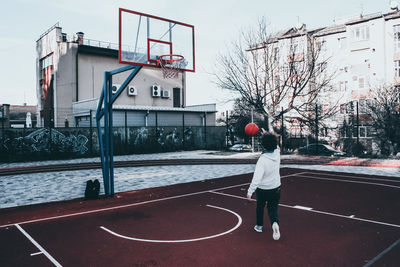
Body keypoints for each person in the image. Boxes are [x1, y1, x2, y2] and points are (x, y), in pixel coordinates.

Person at [247, 132, 281, 240]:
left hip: (263, 189)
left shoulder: (262, 160)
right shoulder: (277, 154)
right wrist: (269, 135)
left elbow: (256, 178)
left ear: (263, 145)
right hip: (276, 187)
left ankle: (259, 226)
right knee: (273, 208)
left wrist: (249, 192)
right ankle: (274, 223)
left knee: (260, 207)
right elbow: (277, 146)